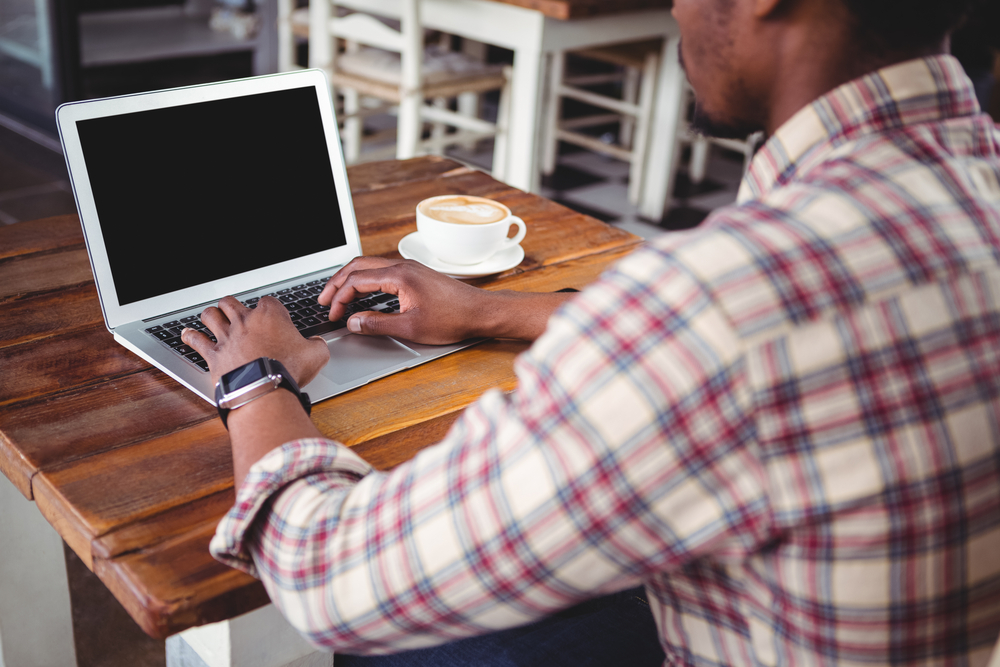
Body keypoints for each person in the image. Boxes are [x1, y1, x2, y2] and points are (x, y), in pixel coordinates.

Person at [181, 0, 1000, 663]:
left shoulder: (717, 302)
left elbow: (334, 580)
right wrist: (487, 310)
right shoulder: (973, 180)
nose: (674, 11)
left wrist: (256, 382)